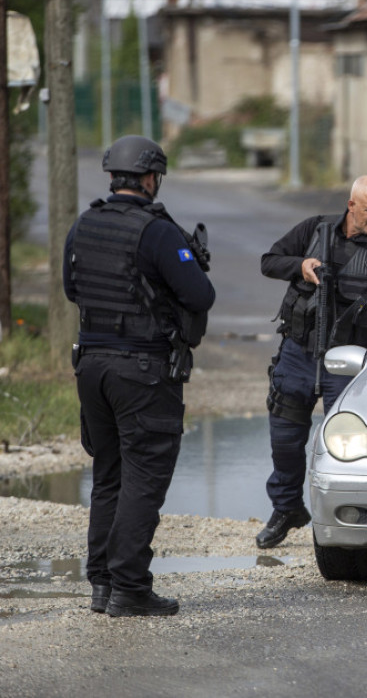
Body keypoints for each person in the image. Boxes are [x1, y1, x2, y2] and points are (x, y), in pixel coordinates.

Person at [63, 135, 216, 616]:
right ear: (150, 178)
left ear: (114, 177)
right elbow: (201, 296)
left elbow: (72, 289)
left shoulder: (83, 224)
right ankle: (129, 587)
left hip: (91, 367)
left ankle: (103, 585)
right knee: (144, 477)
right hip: (142, 372)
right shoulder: (157, 232)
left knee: (109, 475)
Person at [257, 175, 367, 549]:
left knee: (350, 442)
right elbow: (268, 262)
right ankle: (287, 508)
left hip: (349, 361)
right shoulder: (314, 230)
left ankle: (356, 516)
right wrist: (301, 266)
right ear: (351, 205)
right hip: (299, 351)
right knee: (286, 437)